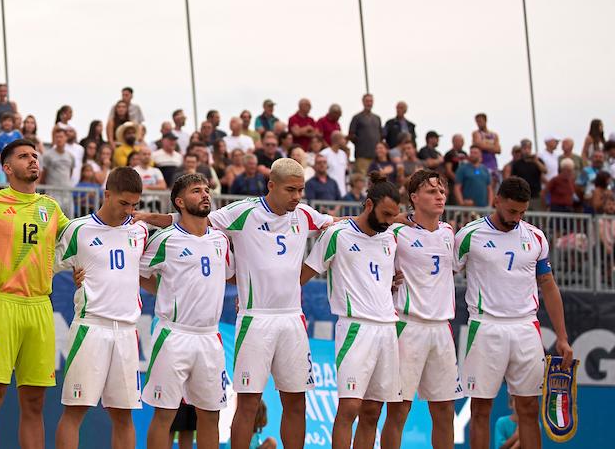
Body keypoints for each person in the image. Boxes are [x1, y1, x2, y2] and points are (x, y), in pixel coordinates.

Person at [145, 158, 334, 449]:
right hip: (254, 319)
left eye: (300, 190)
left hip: (292, 319)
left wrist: (394, 222)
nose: (297, 196)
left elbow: (342, 227)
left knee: (296, 401)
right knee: (248, 404)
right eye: (290, 190)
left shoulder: (305, 214)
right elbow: (197, 220)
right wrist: (149, 218)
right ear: (271, 185)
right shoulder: (242, 212)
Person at [0, 139, 70, 449]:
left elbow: (78, 239)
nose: (33, 160)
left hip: (40, 306)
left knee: (35, 401)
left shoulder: (50, 207)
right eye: (24, 156)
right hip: (3, 303)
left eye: (35, 156)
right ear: (7, 168)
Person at [456, 177, 573, 449]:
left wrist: (563, 337)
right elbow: (441, 273)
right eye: (511, 211)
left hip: (525, 327)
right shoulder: (469, 234)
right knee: (481, 408)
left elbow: (548, 284)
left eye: (522, 212)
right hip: (484, 326)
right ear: (496, 200)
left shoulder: (535, 236)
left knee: (529, 408)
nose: (516, 218)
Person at [302, 173, 402, 449]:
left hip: (387, 329)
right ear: (368, 205)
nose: (389, 221)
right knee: (349, 409)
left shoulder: (389, 238)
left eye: (394, 216)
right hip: (355, 327)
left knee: (373, 412)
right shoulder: (338, 234)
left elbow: (387, 276)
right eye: (385, 214)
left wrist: (395, 280)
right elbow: (304, 273)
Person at [54, 167, 148, 449]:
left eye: (135, 205)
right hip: (91, 327)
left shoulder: (140, 230)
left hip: (128, 332)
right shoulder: (78, 229)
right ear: (107, 195)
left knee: (123, 416)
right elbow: (45, 268)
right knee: (75, 410)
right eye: (123, 203)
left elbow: (150, 273)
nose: (129, 210)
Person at [140, 173, 233, 449]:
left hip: (209, 337)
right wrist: (164, 291)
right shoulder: (165, 240)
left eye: (206, 190)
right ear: (179, 202)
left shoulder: (220, 239)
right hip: (174, 335)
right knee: (165, 414)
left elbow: (227, 275)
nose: (205, 194)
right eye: (196, 191)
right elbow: (138, 272)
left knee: (210, 414)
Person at [379, 170, 460, 449]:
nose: (439, 196)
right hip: (408, 325)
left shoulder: (449, 232)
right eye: (431, 191)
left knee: (444, 410)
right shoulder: (396, 232)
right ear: (414, 198)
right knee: (399, 410)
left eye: (441, 191)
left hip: (441, 328)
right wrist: (386, 281)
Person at [348, 94, 383, 174]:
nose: (369, 103)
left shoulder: (377, 118)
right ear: (363, 102)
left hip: (376, 157)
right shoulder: (357, 117)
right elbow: (351, 135)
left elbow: (380, 135)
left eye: (371, 101)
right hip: (362, 156)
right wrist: (360, 142)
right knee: (363, 180)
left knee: (376, 180)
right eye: (367, 101)